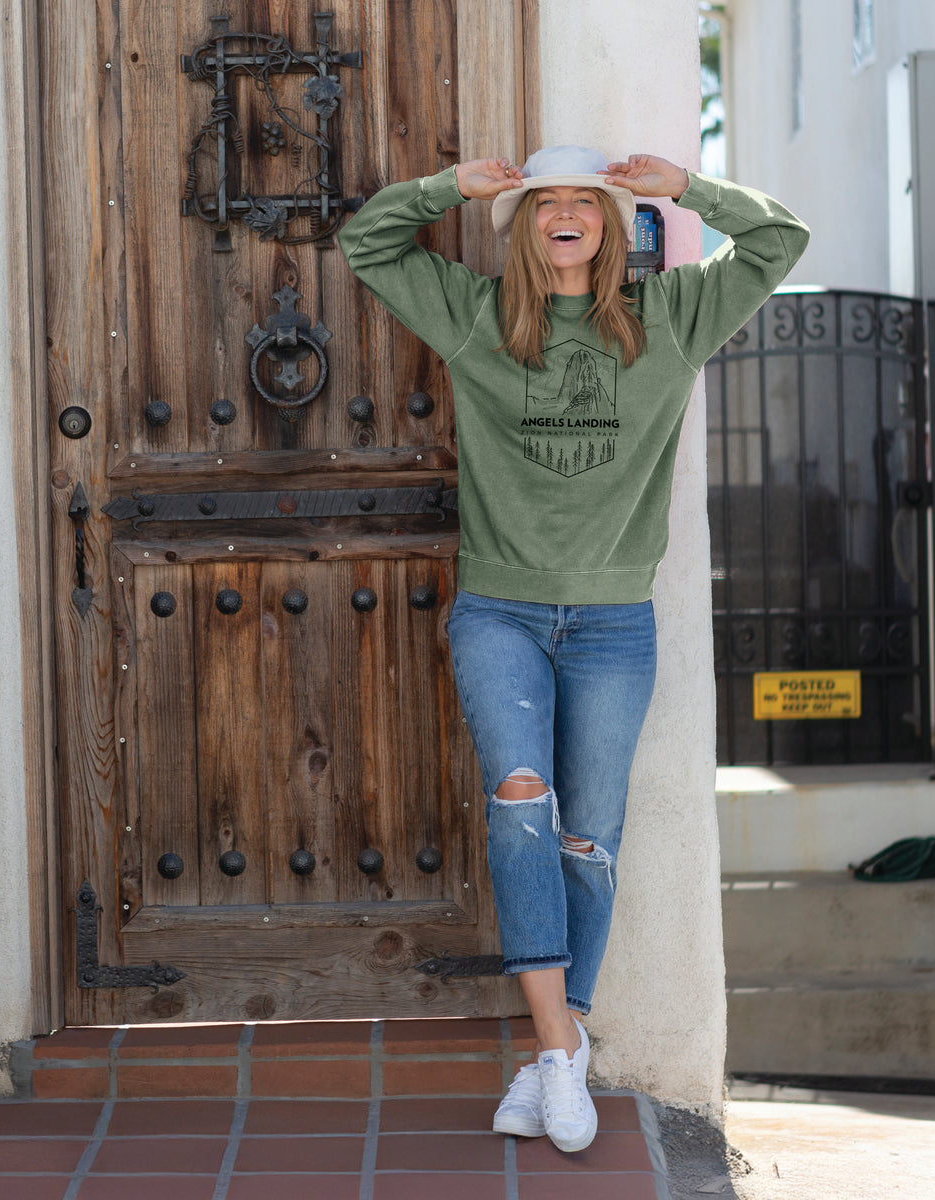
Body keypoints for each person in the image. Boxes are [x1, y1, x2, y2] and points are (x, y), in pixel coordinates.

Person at [339, 144, 808, 1152]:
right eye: (543, 201)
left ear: (608, 221)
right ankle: (560, 1047)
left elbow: (779, 241)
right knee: (521, 799)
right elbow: (367, 244)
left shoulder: (672, 320)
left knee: (589, 840)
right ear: (524, 223)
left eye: (581, 203)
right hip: (500, 610)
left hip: (610, 624)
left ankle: (556, 1052)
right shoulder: (475, 318)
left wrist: (689, 188)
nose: (562, 215)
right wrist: (448, 190)